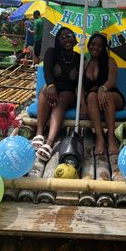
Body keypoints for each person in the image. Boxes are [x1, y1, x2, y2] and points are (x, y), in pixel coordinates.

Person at [32, 27, 80, 161]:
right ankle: (39, 133)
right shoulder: (51, 52)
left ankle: (49, 143)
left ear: (75, 39)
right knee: (44, 89)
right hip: (53, 88)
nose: (66, 39)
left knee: (60, 102)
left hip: (68, 93)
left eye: (69, 36)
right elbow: (47, 70)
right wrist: (51, 85)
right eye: (62, 37)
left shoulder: (80, 58)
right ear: (58, 41)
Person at [81, 32, 125, 155]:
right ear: (89, 45)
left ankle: (110, 138)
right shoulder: (85, 64)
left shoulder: (110, 61)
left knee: (107, 95)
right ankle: (100, 138)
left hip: (112, 96)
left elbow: (111, 79)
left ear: (104, 48)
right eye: (93, 44)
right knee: (91, 95)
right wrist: (83, 105)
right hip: (93, 102)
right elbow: (80, 87)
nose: (95, 47)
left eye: (99, 45)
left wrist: (102, 89)